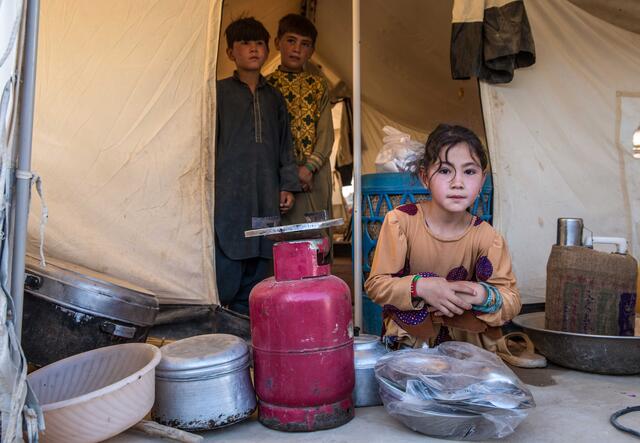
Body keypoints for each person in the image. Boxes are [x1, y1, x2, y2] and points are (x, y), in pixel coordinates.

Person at [365, 124, 525, 356]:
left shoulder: (487, 237)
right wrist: (421, 286)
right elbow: (376, 285)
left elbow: (511, 300)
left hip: (467, 351)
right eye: (445, 171)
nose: (457, 183)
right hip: (410, 346)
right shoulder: (401, 222)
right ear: (424, 177)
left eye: (469, 172)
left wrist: (482, 294)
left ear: (482, 181)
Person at [215, 17, 299, 315]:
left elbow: (285, 143)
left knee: (265, 249)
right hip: (229, 190)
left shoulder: (274, 97)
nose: (253, 50)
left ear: (267, 49)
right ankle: (227, 314)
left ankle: (254, 314)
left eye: (259, 44)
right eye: (245, 44)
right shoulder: (218, 93)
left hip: (267, 189)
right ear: (230, 53)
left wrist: (287, 184)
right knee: (229, 246)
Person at [267, 14, 334, 226]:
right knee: (282, 238)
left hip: (314, 176)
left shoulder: (319, 85)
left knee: (316, 237)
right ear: (277, 43)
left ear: (312, 51)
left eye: (304, 44)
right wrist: (289, 174)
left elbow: (326, 134)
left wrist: (308, 168)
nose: (297, 49)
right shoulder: (266, 87)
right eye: (290, 41)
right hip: (278, 177)